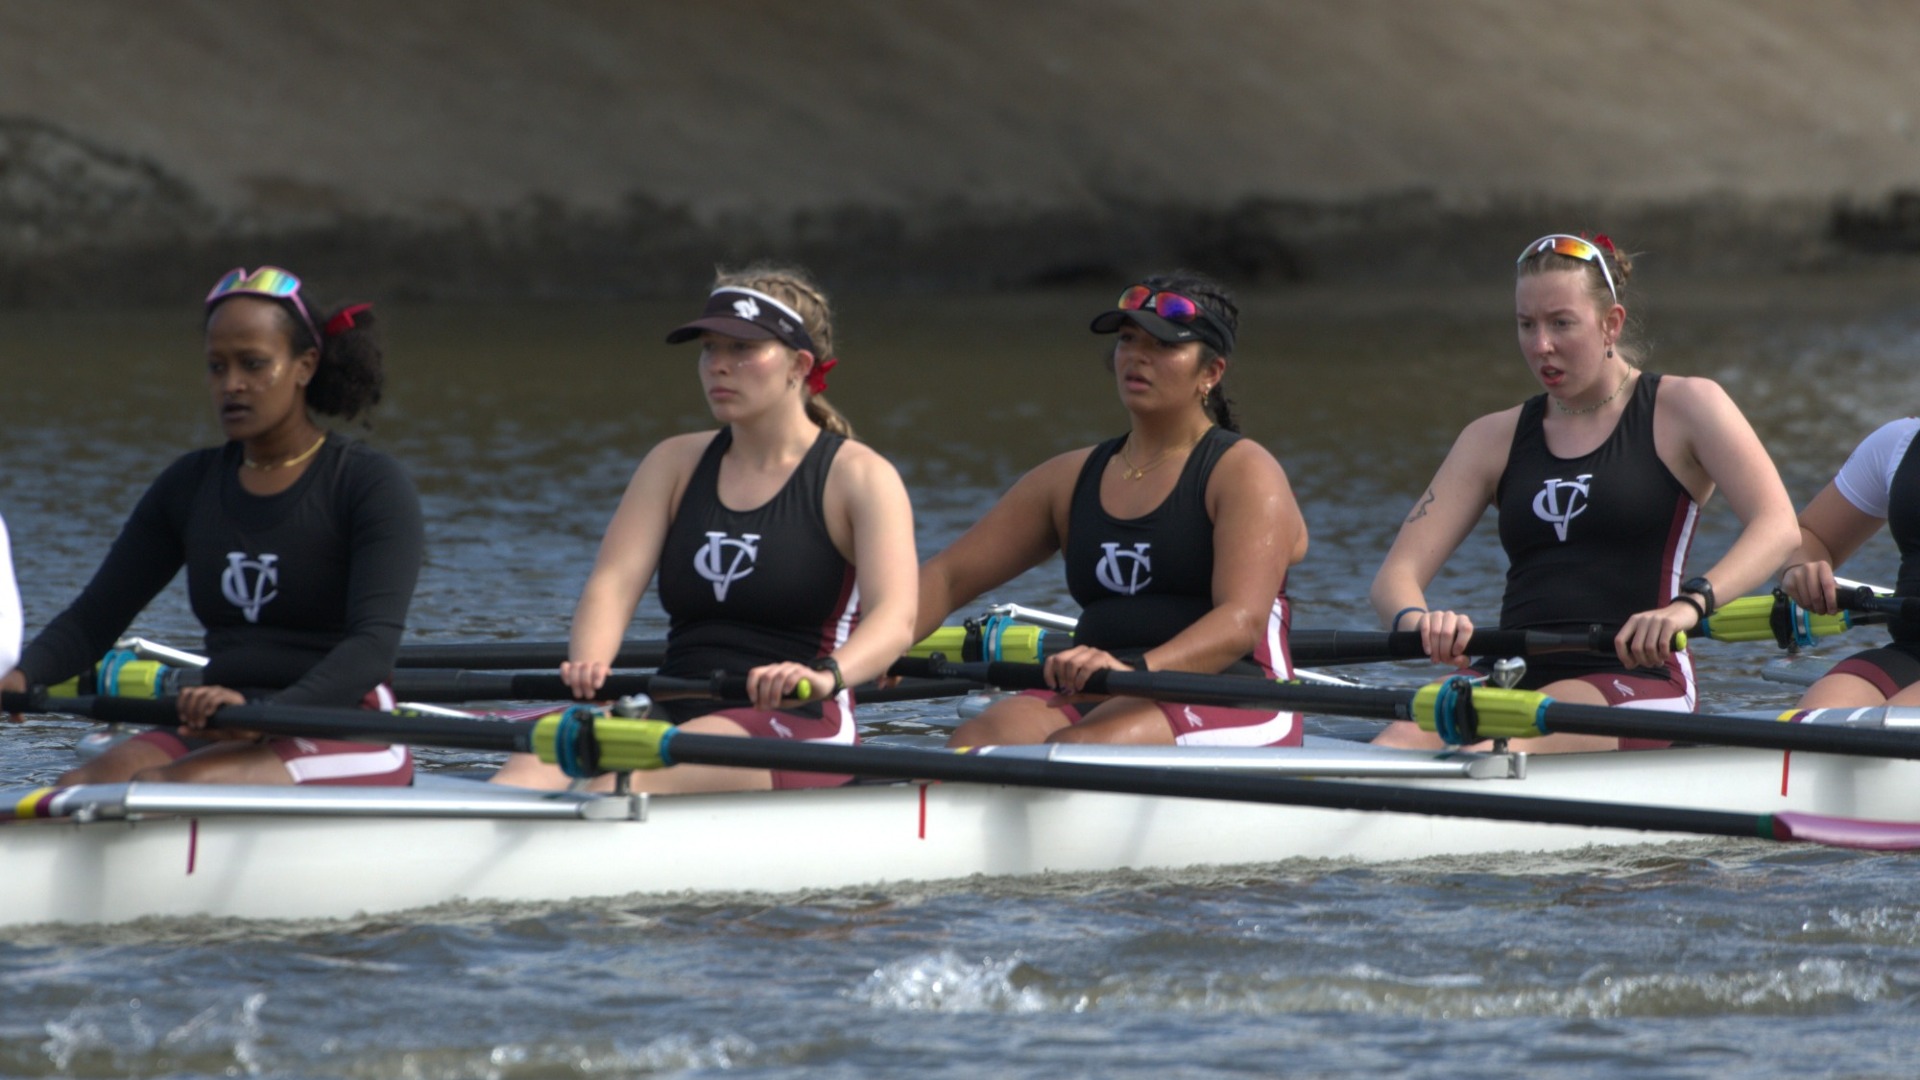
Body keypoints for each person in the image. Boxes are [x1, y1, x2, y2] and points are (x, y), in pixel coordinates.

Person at [490, 265, 917, 792]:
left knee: (618, 784)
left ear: (798, 365)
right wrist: (590, 666)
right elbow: (613, 584)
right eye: (710, 348)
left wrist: (825, 674)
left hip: (802, 718)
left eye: (742, 349)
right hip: (674, 702)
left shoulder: (860, 477)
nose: (719, 366)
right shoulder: (673, 463)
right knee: (530, 767)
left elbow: (895, 620)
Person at [1370, 234, 1799, 751]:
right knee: (1395, 739)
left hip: (1639, 677)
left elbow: (1778, 526)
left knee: (1500, 746)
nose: (1540, 345)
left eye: (1561, 323)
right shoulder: (1491, 437)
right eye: (1526, 325)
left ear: (1610, 324)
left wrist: (1688, 606)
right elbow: (1395, 575)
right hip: (1511, 669)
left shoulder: (1686, 407)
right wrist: (1421, 622)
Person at [2, 266, 424, 785]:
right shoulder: (190, 485)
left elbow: (371, 648)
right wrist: (22, 675)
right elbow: (94, 619)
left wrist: (265, 717)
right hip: (222, 717)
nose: (232, 385)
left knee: (169, 790)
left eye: (253, 364)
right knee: (76, 788)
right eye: (216, 367)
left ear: (305, 365)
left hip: (345, 722)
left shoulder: (370, 485)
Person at [918, 270, 1307, 749]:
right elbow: (946, 578)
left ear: (1211, 373)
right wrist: (858, 652)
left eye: (1164, 346)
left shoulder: (1244, 472)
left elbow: (1241, 622)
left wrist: (1134, 671)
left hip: (1234, 693)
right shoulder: (1067, 479)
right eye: (1127, 340)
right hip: (1103, 688)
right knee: (980, 735)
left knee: (1085, 745)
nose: (1137, 356)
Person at [1777, 420, 1920, 707]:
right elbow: (1810, 535)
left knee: (1893, 721)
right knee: (1821, 711)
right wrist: (1800, 569)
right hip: (1911, 649)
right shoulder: (1899, 442)